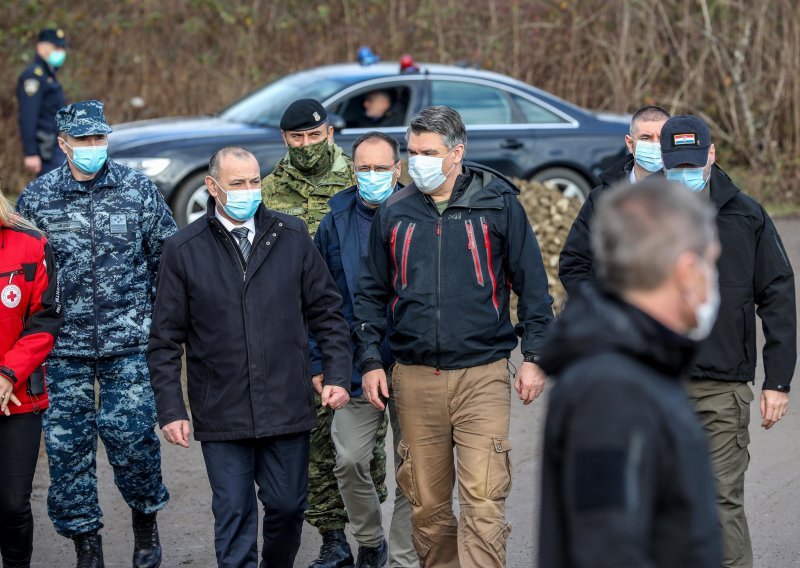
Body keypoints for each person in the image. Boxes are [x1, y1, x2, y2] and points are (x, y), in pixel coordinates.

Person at [354, 105, 554, 567]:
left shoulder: (498, 204)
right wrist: (369, 361)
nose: (417, 160)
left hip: (482, 376)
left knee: (483, 503)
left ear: (457, 152)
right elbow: (370, 295)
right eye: (413, 150)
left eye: (429, 151)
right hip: (415, 378)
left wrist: (535, 354)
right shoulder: (394, 212)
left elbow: (534, 286)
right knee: (428, 509)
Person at [148, 147, 353, 568]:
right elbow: (165, 339)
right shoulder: (183, 250)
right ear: (212, 187)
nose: (248, 190)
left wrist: (336, 371)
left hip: (286, 403)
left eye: (254, 181)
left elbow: (326, 311)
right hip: (222, 409)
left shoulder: (292, 236)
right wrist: (171, 409)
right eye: (237, 183)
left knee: (287, 506)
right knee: (234, 515)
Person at [15, 100, 176, 568]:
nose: (92, 147)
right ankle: (87, 543)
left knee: (133, 440)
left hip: (128, 342)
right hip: (61, 348)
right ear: (63, 144)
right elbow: (27, 274)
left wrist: (157, 325)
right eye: (82, 140)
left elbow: (166, 258)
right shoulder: (38, 197)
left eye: (98, 138)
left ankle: (145, 523)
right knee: (68, 452)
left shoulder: (136, 189)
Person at [538, 179, 723, 567]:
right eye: (712, 262)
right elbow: (607, 548)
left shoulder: (641, 364)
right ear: (688, 270)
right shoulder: (612, 390)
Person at [658, 115, 795, 568]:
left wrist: (778, 380)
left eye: (693, 164)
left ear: (711, 155)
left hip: (722, 387)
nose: (684, 174)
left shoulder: (745, 214)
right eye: (675, 165)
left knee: (721, 503)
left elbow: (777, 294)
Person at [262, 98, 388, 568]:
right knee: (318, 446)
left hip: (362, 334)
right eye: (298, 138)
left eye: (315, 136)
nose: (308, 145)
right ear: (285, 140)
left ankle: (371, 540)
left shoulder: (358, 178)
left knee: (366, 452)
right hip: (300, 339)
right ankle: (333, 539)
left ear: (330, 134)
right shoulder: (270, 191)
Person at [310, 131, 418, 568]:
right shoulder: (334, 220)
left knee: (414, 467)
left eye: (381, 168)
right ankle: (370, 540)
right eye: (363, 168)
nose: (371, 176)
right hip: (355, 363)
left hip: (414, 362)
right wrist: (319, 361)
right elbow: (317, 301)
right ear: (352, 169)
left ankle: (403, 556)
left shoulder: (421, 211)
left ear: (398, 169)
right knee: (350, 459)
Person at [0, 190, 62, 568]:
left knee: (12, 504)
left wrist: (8, 374)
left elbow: (45, 318)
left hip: (18, 397)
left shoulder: (31, 243)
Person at [559, 105, 670, 294]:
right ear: (630, 143)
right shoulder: (602, 199)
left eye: (661, 138)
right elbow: (574, 263)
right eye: (645, 138)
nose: (654, 145)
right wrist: (597, 307)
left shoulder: (684, 198)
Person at [16, 28, 68, 177]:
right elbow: (28, 115)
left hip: (55, 146)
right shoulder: (33, 76)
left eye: (62, 47)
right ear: (41, 48)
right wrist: (31, 153)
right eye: (56, 47)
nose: (60, 51)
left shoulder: (49, 75)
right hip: (44, 149)